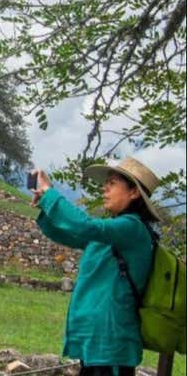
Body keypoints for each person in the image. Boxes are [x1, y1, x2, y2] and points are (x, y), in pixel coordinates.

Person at [30, 157, 162, 376]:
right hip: (97, 344)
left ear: (134, 193)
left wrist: (51, 194)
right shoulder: (114, 232)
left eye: (112, 184)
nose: (105, 189)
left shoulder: (132, 228)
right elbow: (69, 234)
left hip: (110, 345)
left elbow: (85, 227)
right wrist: (45, 206)